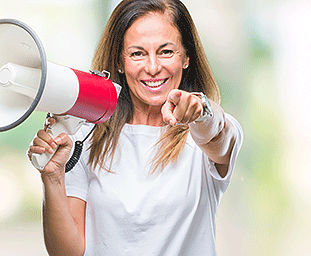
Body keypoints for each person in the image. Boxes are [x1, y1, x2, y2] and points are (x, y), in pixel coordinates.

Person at [27, 0, 243, 255]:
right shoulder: (85, 136)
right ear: (119, 61)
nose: (152, 68)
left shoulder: (205, 135)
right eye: (137, 53)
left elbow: (218, 134)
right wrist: (52, 177)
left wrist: (201, 111)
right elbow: (67, 252)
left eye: (166, 52)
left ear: (186, 57)